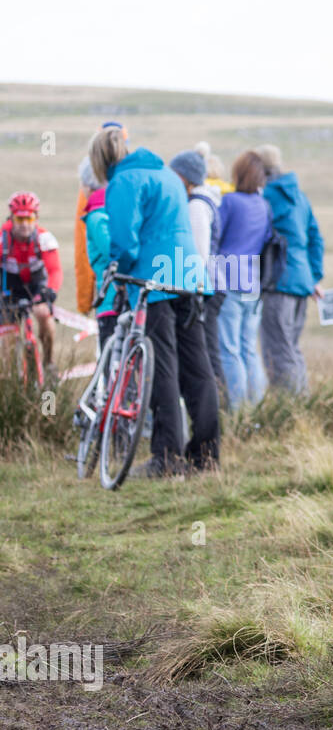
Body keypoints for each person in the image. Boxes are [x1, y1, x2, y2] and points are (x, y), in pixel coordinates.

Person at [91, 126, 221, 476]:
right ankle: (207, 456)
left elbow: (125, 241)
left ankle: (167, 457)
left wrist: (118, 269)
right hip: (190, 276)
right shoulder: (165, 173)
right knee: (198, 368)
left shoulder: (123, 182)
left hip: (154, 282)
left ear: (101, 161)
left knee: (161, 367)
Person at [255, 144, 323, 394]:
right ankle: (302, 402)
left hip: (278, 280)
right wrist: (314, 276)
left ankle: (287, 411)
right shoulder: (299, 197)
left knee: (277, 350)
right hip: (302, 281)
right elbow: (316, 237)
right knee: (292, 347)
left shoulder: (266, 196)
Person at [214, 151, 272, 408]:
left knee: (229, 350)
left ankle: (236, 411)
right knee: (249, 349)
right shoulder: (264, 205)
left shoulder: (229, 202)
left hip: (230, 281)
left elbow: (216, 236)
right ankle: (257, 409)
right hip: (253, 282)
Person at [170, 147, 227, 401]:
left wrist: (194, 284)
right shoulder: (208, 201)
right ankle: (218, 406)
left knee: (206, 352)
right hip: (213, 282)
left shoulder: (195, 206)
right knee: (208, 350)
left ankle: (217, 406)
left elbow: (199, 251)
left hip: (205, 284)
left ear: (185, 178)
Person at [1, 191, 62, 378]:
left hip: (36, 286)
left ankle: (49, 362)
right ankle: (10, 376)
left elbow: (55, 271)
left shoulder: (43, 238)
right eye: (20, 220)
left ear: (36, 217)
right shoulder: (3, 239)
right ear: (12, 218)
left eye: (30, 218)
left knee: (44, 315)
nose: (25, 225)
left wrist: (50, 292)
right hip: (9, 287)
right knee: (8, 339)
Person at [75, 122, 128, 315]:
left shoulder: (97, 217)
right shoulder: (122, 204)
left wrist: (84, 301)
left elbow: (112, 255)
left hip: (112, 302)